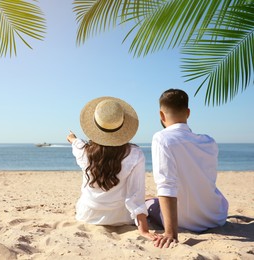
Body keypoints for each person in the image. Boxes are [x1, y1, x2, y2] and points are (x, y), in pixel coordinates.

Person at [66, 96, 158, 241]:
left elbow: (76, 143)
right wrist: (144, 230)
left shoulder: (84, 151)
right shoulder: (135, 154)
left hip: (87, 215)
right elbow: (136, 193)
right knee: (151, 200)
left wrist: (72, 137)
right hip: (121, 217)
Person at [149, 89, 229, 248]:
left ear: (161, 115)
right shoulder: (209, 141)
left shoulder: (162, 138)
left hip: (186, 221)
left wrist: (171, 233)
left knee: (148, 204)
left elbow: (167, 185)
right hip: (216, 216)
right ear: (188, 112)